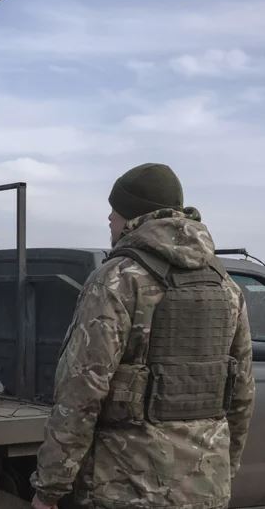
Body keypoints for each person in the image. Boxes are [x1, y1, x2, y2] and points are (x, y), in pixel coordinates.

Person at [30, 163, 256, 509]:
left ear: (134, 215)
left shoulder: (119, 280)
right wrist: (223, 469)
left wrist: (50, 488)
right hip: (206, 487)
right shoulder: (225, 285)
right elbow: (241, 395)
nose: (109, 219)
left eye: (115, 211)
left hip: (126, 488)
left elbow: (81, 392)